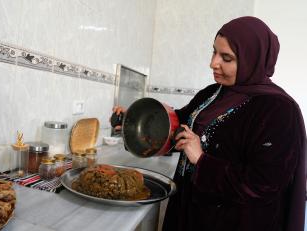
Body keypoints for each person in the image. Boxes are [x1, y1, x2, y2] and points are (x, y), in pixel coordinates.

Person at [112, 16, 306, 231]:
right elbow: (177, 124)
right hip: (189, 208)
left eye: (227, 58)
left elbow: (265, 183)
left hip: (231, 220)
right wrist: (135, 120)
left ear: (253, 59)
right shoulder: (213, 93)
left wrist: (202, 160)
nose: (213, 63)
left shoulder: (278, 110)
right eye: (214, 51)